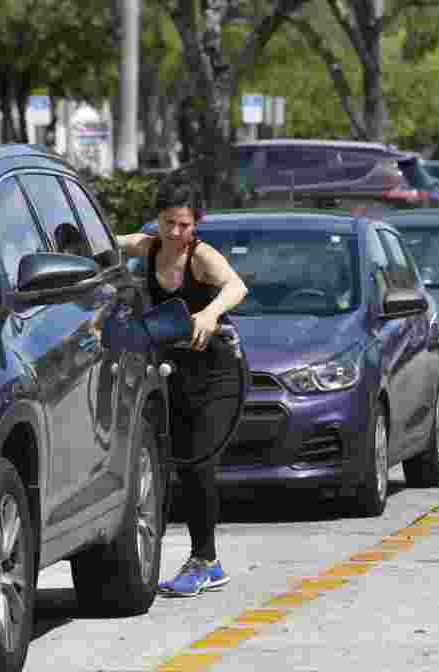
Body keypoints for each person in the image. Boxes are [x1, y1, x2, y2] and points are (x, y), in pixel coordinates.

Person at [116, 177, 248, 598]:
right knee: (178, 466)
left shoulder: (201, 256)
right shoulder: (148, 246)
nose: (176, 233)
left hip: (218, 374)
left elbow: (237, 287)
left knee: (199, 464)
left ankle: (205, 561)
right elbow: (106, 241)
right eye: (169, 223)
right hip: (176, 373)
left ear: (196, 225)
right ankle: (206, 559)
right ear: (158, 219)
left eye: (185, 225)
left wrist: (210, 314)